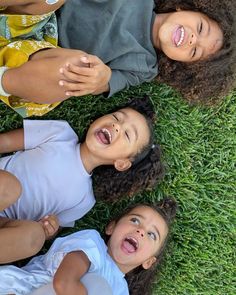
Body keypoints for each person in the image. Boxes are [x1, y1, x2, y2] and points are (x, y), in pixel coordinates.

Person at [0, 97, 165, 264]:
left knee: (34, 237)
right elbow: (4, 142)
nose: (117, 126)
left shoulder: (85, 200)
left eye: (127, 134)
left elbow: (53, 229)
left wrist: (49, 229)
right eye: (116, 117)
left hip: (6, 223)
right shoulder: (60, 134)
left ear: (122, 163)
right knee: (10, 188)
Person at [0, 0, 235, 117]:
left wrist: (102, 76)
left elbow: (106, 82)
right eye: (201, 28)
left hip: (37, 59)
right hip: (33, 13)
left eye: (195, 52)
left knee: (78, 72)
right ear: (184, 7)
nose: (193, 39)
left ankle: (3, 78)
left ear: (183, 65)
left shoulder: (145, 67)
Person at [0, 198, 177, 295]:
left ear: (148, 262)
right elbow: (64, 283)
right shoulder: (92, 244)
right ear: (111, 227)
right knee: (97, 284)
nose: (140, 231)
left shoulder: (121, 291)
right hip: (17, 289)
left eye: (151, 234)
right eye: (135, 220)